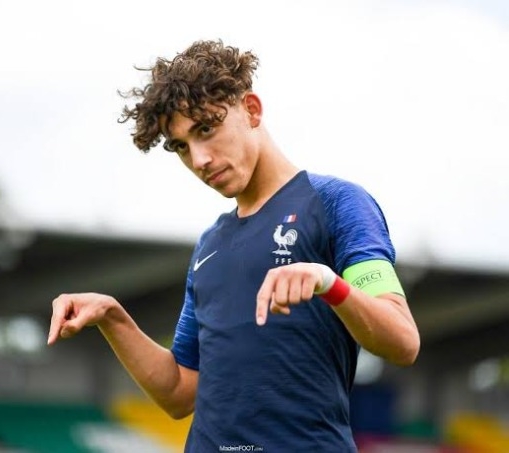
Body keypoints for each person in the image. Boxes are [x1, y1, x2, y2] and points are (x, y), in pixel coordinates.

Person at [48, 39, 420, 452]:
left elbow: (402, 341)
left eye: (206, 129)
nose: (199, 160)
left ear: (252, 110)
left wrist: (328, 282)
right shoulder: (210, 244)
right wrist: (113, 318)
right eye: (181, 147)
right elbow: (179, 392)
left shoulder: (336, 203)